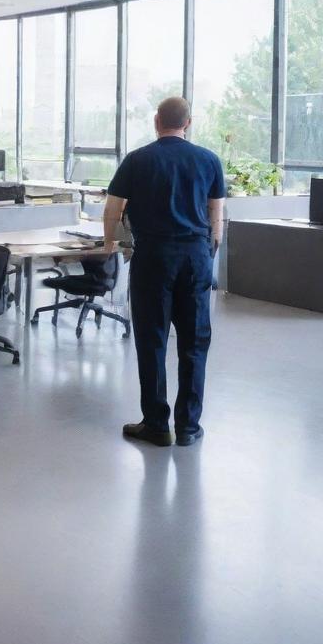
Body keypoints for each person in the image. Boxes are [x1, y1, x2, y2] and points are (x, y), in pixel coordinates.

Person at [103, 97, 225, 447]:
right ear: (188, 123)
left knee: (152, 339)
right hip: (194, 257)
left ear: (157, 120)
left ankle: (156, 424)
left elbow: (113, 210)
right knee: (194, 341)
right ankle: (188, 427)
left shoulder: (137, 160)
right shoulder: (209, 160)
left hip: (153, 256)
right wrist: (208, 250)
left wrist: (111, 245)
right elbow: (216, 216)